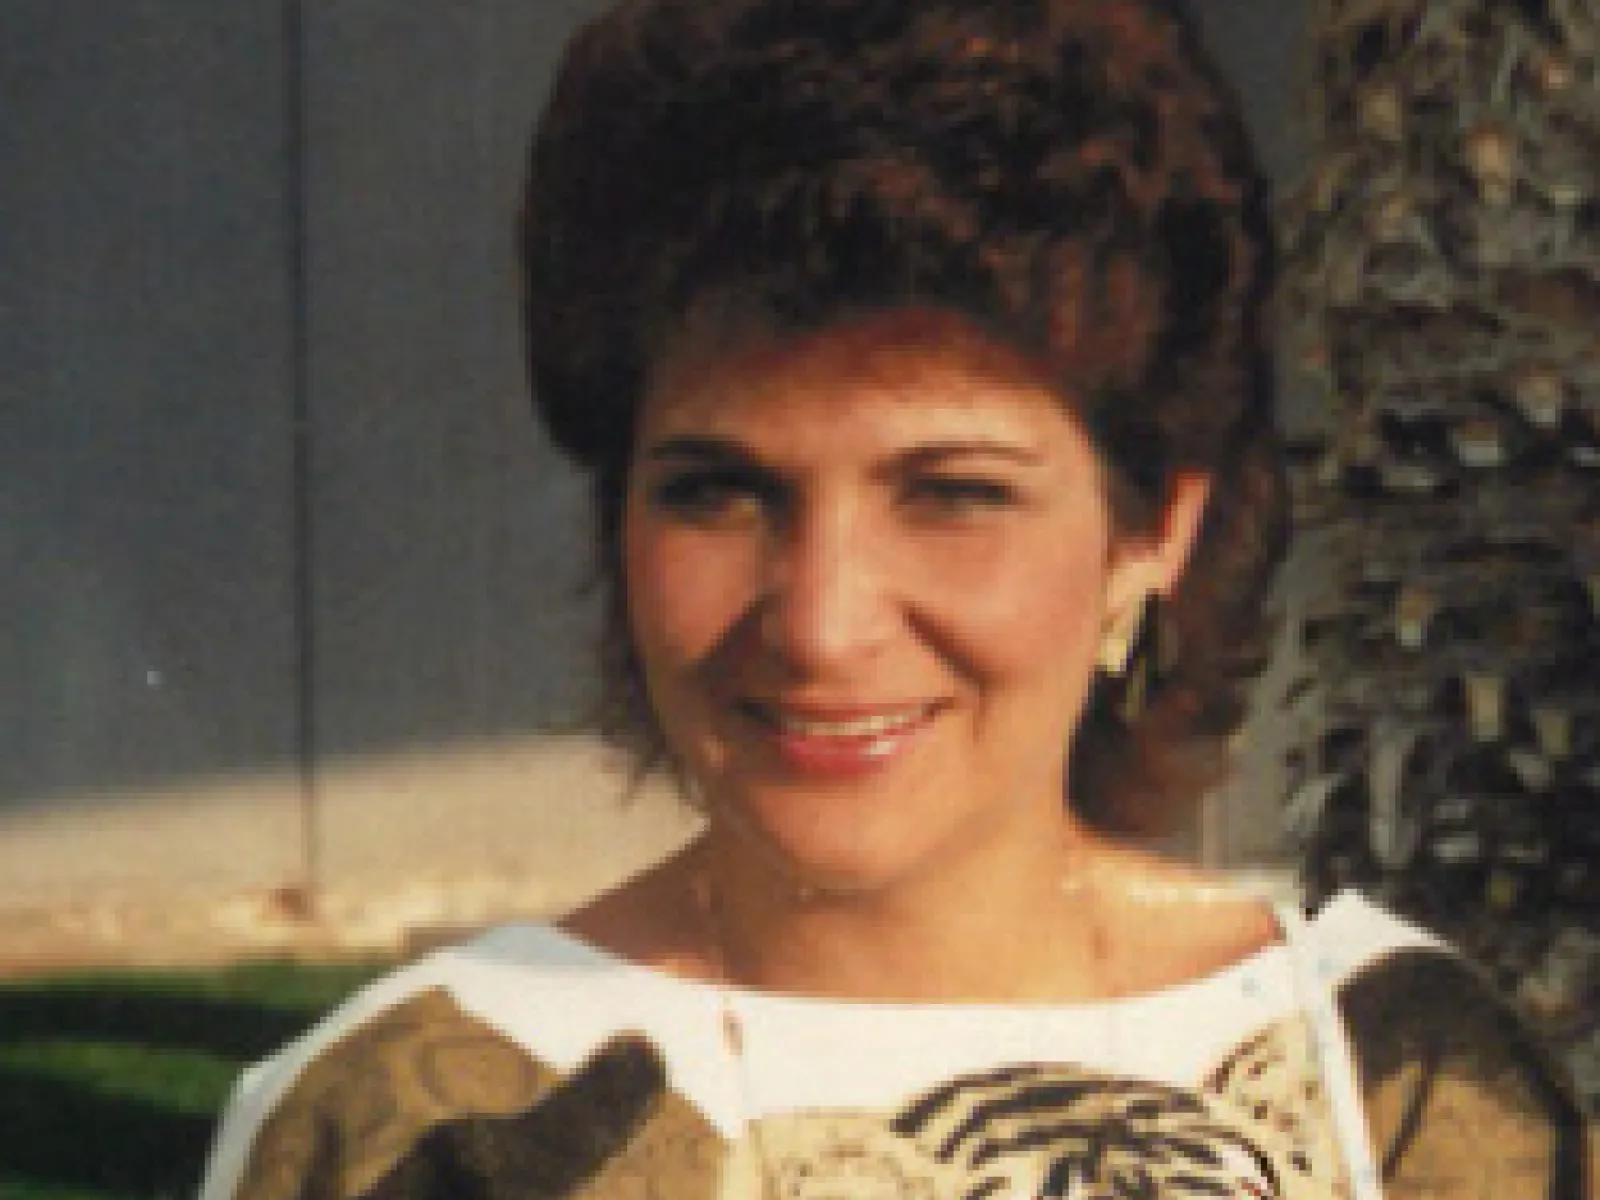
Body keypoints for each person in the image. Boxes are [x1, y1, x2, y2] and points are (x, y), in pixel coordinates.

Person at [199, 1, 1590, 1197]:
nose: (820, 620)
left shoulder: (1394, 1080)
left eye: (954, 493)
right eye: (719, 491)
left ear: (1154, 529)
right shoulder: (424, 1123)